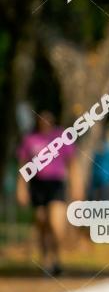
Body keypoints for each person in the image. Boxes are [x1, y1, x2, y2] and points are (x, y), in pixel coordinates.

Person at [16, 110, 83, 276]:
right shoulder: (30, 139)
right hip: (38, 185)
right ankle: (46, 258)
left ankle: (56, 257)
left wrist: (77, 186)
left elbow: (72, 163)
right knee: (41, 221)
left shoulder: (61, 138)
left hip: (56, 184)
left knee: (56, 223)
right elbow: (23, 166)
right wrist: (21, 188)